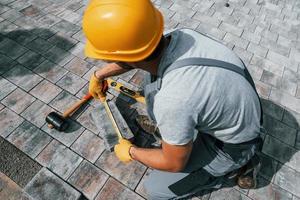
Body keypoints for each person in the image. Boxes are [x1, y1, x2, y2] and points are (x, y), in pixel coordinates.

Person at [83, 0, 263, 199]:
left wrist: (131, 151)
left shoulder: (173, 99)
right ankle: (178, 133)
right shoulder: (181, 35)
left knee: (157, 189)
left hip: (234, 146)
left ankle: (235, 169)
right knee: (152, 84)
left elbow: (173, 163)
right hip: (235, 111)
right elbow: (137, 58)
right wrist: (99, 75)